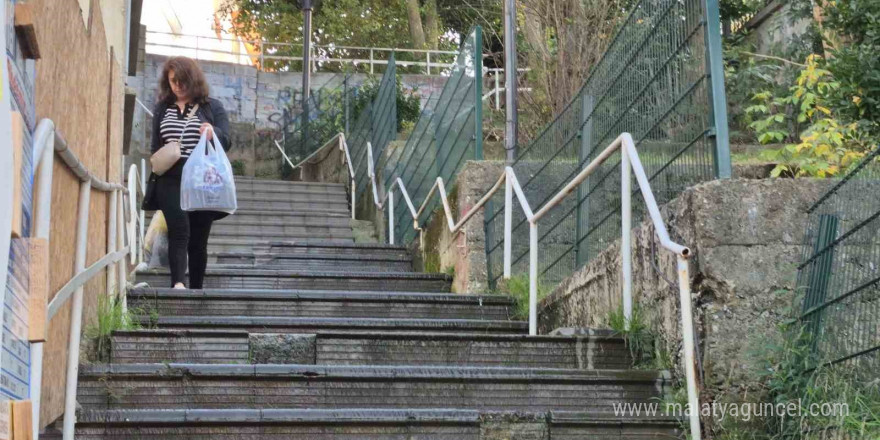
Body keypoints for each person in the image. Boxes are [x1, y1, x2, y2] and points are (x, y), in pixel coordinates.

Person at [150, 56, 232, 289]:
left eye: (182, 80)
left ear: (193, 79)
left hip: (203, 180)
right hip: (170, 178)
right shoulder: (162, 108)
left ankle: (196, 289)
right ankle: (178, 284)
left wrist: (212, 131)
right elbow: (155, 146)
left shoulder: (212, 107)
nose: (177, 86)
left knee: (198, 240)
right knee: (179, 229)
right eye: (173, 81)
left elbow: (226, 141)